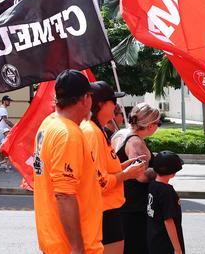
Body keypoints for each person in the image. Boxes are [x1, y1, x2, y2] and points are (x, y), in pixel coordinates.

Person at [33, 69, 103, 254]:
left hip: (55, 240)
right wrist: (77, 247)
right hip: (70, 245)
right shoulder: (68, 135)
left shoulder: (49, 123)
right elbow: (64, 195)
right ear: (85, 98)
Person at [81, 82, 146, 253]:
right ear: (101, 104)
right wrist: (126, 174)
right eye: (113, 101)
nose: (116, 106)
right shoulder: (92, 132)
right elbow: (99, 182)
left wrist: (124, 166)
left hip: (107, 209)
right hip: (103, 210)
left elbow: (103, 168)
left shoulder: (97, 130)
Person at [112, 102, 161, 254]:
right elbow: (140, 175)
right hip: (134, 207)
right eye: (158, 123)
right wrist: (160, 170)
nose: (158, 126)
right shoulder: (135, 142)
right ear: (151, 125)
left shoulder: (121, 135)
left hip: (124, 203)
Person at [147, 151, 185, 254]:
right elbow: (168, 221)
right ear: (173, 172)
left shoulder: (152, 185)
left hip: (154, 238)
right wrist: (177, 249)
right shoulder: (167, 192)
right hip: (166, 243)